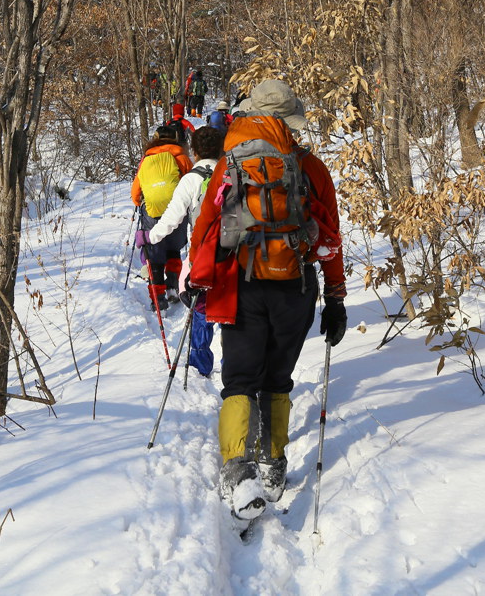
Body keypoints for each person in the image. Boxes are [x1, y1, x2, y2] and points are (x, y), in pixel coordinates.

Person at [188, 79, 346, 526]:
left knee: (239, 378)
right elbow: (330, 236)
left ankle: (238, 470)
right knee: (277, 377)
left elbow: (205, 229)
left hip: (241, 285)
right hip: (294, 285)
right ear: (288, 120)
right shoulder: (310, 167)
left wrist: (197, 278)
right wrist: (335, 297)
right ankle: (274, 464)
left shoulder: (228, 165)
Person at [145, 126, 225, 374]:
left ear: (195, 151)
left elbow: (172, 217)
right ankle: (233, 361)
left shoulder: (191, 179)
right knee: (231, 302)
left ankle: (201, 361)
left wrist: (151, 236)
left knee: (201, 303)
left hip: (202, 251)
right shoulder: (232, 173)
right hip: (236, 248)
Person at [131, 124, 192, 313]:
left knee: (155, 253)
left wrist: (139, 203)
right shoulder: (181, 157)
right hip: (177, 209)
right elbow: (191, 181)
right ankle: (173, 285)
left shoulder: (146, 159)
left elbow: (135, 193)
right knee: (174, 247)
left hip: (151, 211)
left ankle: (157, 297)